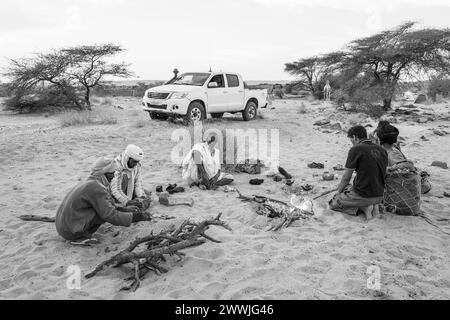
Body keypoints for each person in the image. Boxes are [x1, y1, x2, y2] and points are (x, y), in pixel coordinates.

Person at [55, 157, 146, 245]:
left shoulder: (90, 182)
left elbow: (108, 205)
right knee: (102, 214)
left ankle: (79, 233)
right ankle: (79, 237)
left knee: (102, 208)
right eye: (111, 173)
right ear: (103, 174)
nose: (114, 176)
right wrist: (135, 217)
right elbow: (110, 215)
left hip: (63, 227)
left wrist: (126, 209)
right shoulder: (96, 188)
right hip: (69, 232)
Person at [329, 125, 388, 220]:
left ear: (355, 137)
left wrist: (338, 193)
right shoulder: (382, 150)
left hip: (364, 194)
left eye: (351, 140)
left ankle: (364, 207)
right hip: (379, 195)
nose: (352, 143)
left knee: (334, 203)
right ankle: (374, 206)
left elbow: (346, 178)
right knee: (349, 187)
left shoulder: (355, 149)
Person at [110, 144, 150, 211]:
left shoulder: (137, 165)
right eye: (134, 162)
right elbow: (115, 189)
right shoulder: (117, 165)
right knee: (125, 176)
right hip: (114, 194)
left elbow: (138, 183)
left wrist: (141, 197)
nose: (135, 164)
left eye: (137, 162)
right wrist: (127, 202)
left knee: (146, 195)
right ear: (128, 158)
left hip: (128, 191)